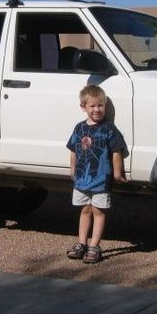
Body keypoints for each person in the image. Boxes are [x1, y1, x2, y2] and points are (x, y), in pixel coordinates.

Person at [65, 84, 127, 263]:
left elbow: (117, 151)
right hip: (82, 179)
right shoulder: (79, 128)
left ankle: (94, 246)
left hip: (101, 180)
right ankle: (81, 243)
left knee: (98, 212)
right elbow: (74, 150)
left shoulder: (109, 129)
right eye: (92, 106)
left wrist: (116, 173)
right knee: (84, 210)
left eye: (100, 105)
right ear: (83, 107)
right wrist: (72, 169)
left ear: (105, 106)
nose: (97, 109)